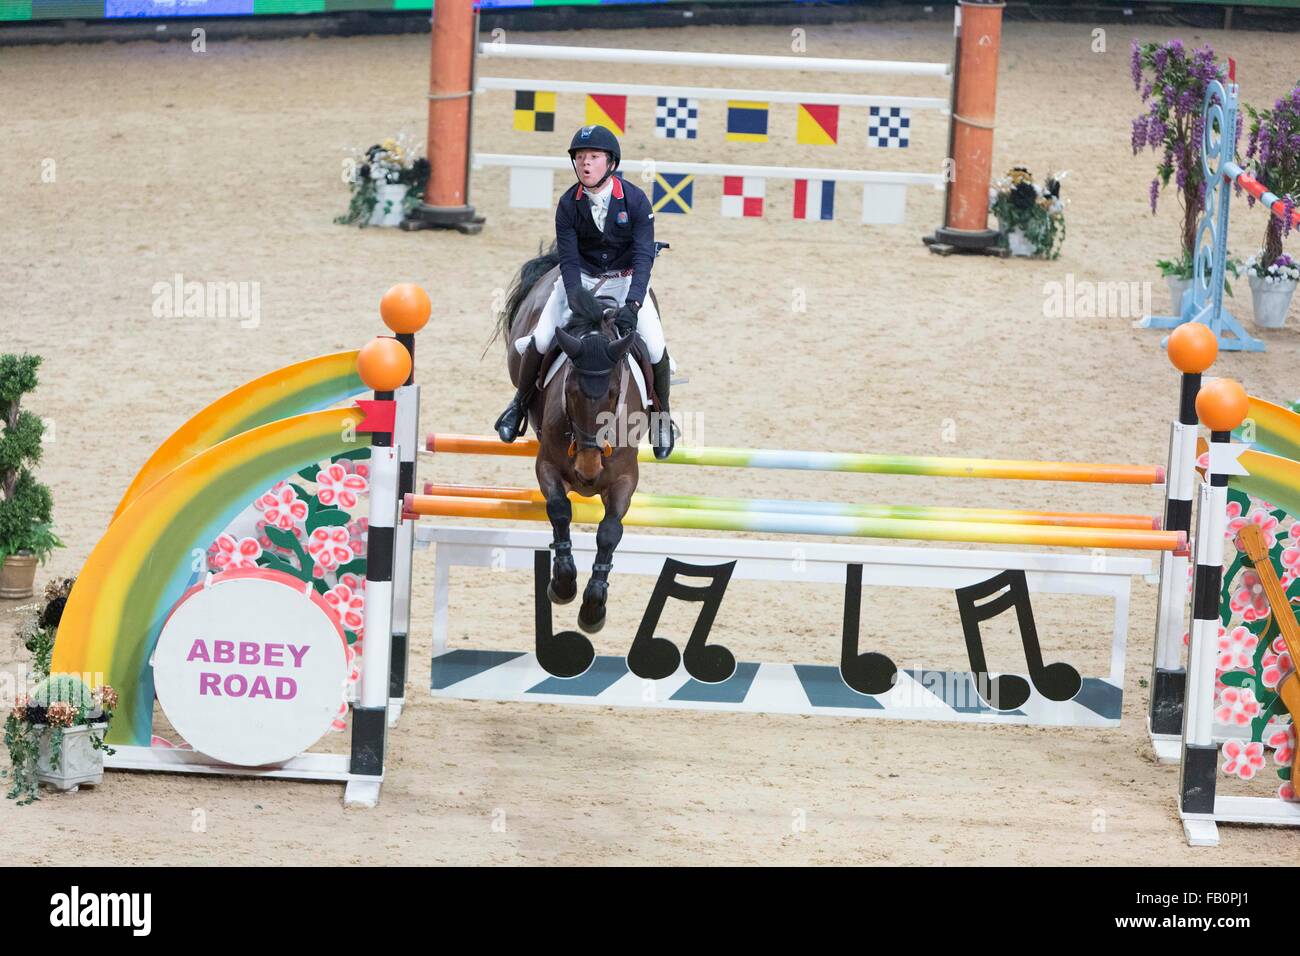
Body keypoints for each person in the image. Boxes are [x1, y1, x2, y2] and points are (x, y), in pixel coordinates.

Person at [494, 124, 676, 459]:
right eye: (580, 157)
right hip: (581, 281)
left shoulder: (635, 200)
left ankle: (663, 416)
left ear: (611, 163)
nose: (585, 164)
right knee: (544, 337)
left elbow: (642, 256)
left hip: (626, 280)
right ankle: (518, 405)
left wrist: (633, 304)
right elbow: (568, 259)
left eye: (593, 157)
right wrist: (578, 302)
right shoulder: (568, 204)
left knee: (654, 346)